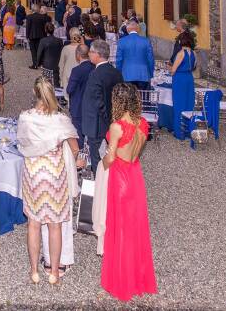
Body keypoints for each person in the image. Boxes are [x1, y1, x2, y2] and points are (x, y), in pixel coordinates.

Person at [17, 76, 85, 285]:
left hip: (34, 174)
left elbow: (22, 143)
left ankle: (34, 271)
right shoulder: (60, 120)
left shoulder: (25, 118)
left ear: (35, 94)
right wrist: (73, 159)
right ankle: (54, 272)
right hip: (55, 175)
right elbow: (75, 148)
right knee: (55, 225)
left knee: (34, 224)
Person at [101, 83, 157, 301]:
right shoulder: (143, 123)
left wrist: (102, 163)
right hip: (135, 175)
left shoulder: (117, 126)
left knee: (121, 229)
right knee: (136, 228)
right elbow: (136, 151)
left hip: (120, 177)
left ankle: (122, 280)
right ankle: (138, 277)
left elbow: (112, 157)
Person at [82, 39, 124, 154]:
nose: (89, 54)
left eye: (91, 51)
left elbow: (97, 101)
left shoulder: (95, 75)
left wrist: (107, 119)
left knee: (96, 158)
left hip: (98, 124)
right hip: (112, 120)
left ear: (98, 54)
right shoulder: (116, 72)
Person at [170, 30, 197, 140]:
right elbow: (194, 66)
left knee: (179, 104)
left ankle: (179, 132)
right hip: (189, 78)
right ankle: (188, 130)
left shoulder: (181, 53)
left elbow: (173, 70)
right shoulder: (194, 53)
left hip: (179, 79)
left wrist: (170, 68)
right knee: (189, 103)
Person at [65, 44, 92, 149]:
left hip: (78, 106)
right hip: (90, 107)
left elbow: (69, 89)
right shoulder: (94, 68)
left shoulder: (76, 70)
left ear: (78, 55)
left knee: (79, 136)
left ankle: (80, 158)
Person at [115, 20, 154, 91]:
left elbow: (119, 60)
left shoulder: (122, 41)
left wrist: (119, 73)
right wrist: (150, 73)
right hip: (143, 74)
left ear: (127, 29)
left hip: (127, 74)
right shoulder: (146, 41)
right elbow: (150, 59)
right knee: (143, 99)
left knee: (129, 100)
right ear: (138, 29)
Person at [36, 21, 64, 88]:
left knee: (46, 83)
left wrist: (38, 63)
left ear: (45, 30)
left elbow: (39, 54)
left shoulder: (43, 41)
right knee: (56, 82)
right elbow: (61, 51)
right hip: (57, 63)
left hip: (47, 64)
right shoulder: (59, 40)